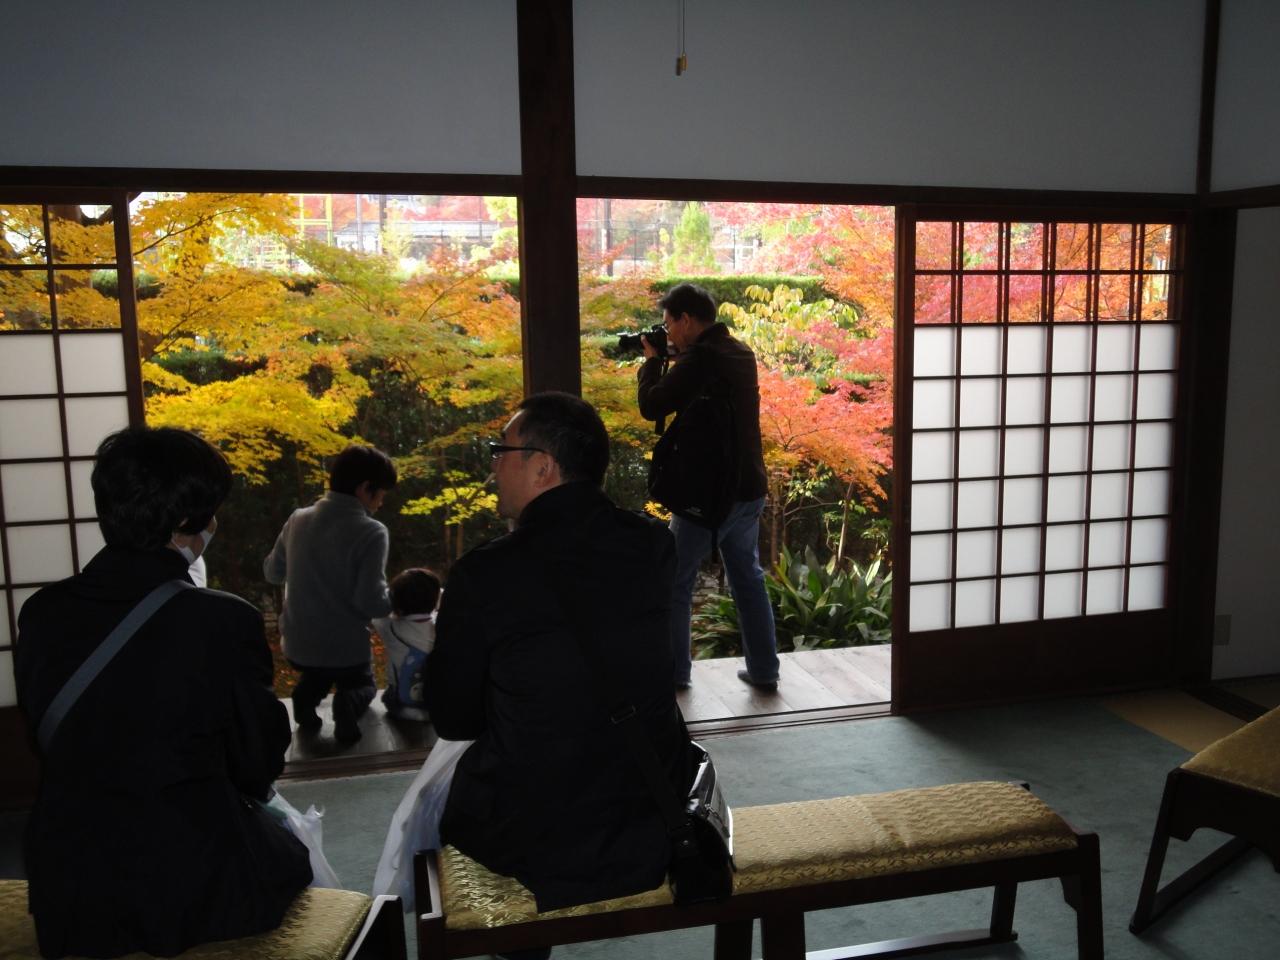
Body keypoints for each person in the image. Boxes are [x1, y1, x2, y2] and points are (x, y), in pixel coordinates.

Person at [15, 426, 311, 958]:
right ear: (185, 522)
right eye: (211, 512)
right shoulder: (222, 620)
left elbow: (47, 740)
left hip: (70, 883)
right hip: (187, 878)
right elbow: (257, 764)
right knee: (294, 856)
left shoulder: (41, 612)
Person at [425, 392, 695, 914]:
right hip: (650, 809)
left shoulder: (484, 573)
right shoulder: (652, 545)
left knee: (443, 799)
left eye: (501, 451)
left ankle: (520, 940)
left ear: (542, 467)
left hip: (533, 831)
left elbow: (454, 719)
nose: (494, 465)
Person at [637, 282, 780, 691]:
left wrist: (652, 363)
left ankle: (675, 675)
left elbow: (652, 405)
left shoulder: (701, 360)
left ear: (686, 320)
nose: (667, 332)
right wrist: (676, 359)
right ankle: (764, 671)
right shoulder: (739, 352)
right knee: (748, 578)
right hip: (749, 487)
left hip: (709, 497)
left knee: (674, 581)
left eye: (669, 323)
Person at [263, 444, 397, 745]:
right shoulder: (371, 531)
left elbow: (272, 572)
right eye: (380, 494)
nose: (381, 502)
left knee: (317, 672)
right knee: (362, 682)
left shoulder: (297, 519)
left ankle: (305, 697)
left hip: (298, 647)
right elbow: (370, 602)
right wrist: (396, 601)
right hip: (345, 652)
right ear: (365, 488)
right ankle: (348, 702)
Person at [372, 567, 441, 722]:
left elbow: (376, 610)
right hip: (435, 700)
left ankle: (409, 711)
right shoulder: (441, 626)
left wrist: (391, 598)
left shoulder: (389, 626)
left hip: (400, 702)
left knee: (388, 695)